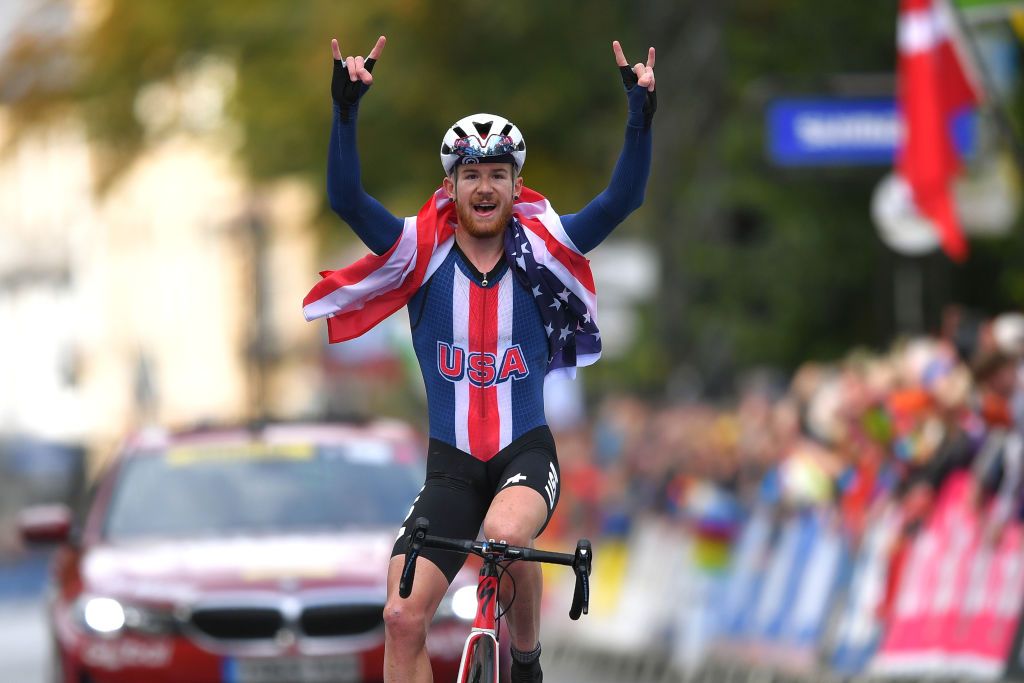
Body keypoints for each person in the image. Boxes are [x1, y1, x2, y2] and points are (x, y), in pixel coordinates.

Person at [304, 34, 656, 683]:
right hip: (451, 468)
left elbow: (622, 200)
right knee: (401, 617)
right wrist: (345, 113)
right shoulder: (417, 251)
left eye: (498, 173)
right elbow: (347, 200)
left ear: (516, 184)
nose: (485, 186)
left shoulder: (546, 246)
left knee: (503, 533)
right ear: (453, 184)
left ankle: (525, 660)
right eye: (472, 174)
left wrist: (639, 116)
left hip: (525, 452)